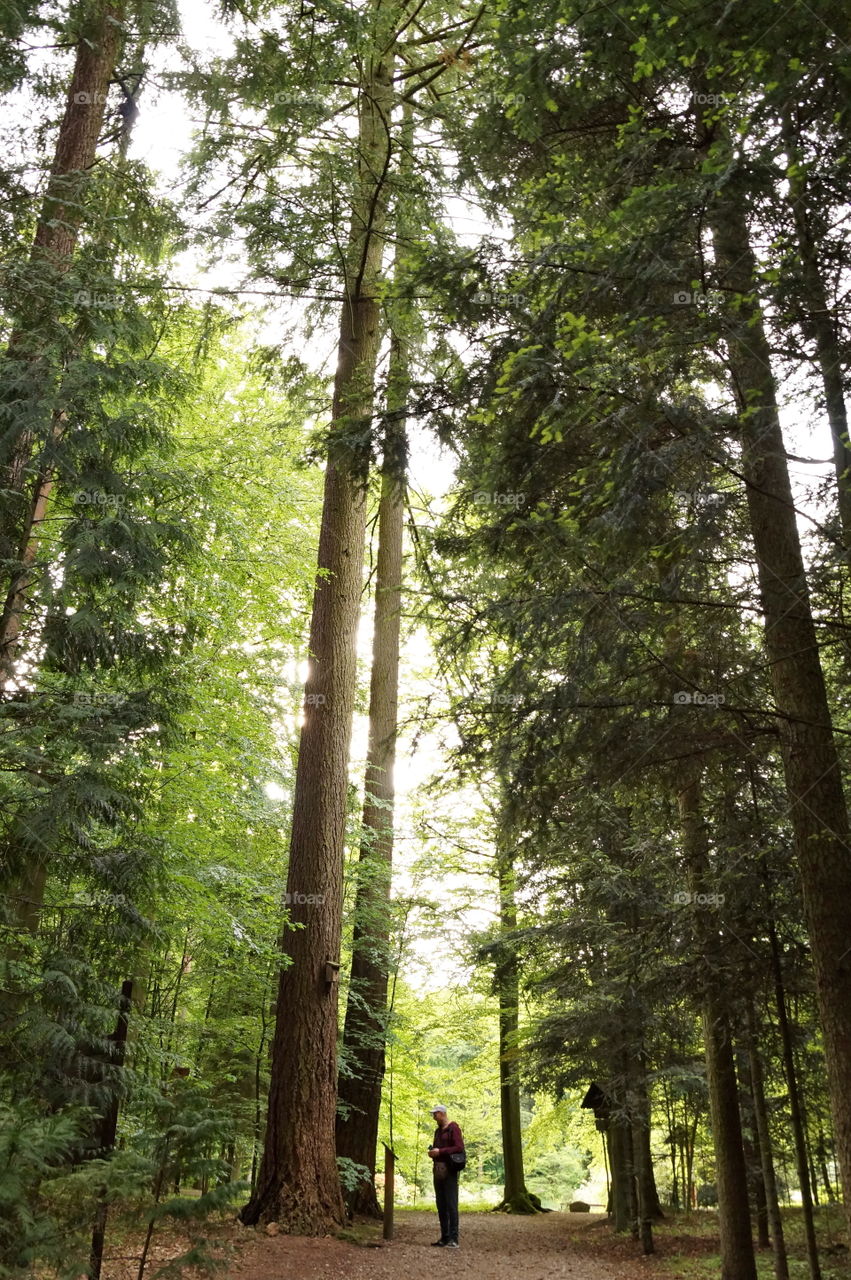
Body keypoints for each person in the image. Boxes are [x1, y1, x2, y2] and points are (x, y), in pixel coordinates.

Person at [427, 1104, 464, 1248]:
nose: (434, 1117)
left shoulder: (453, 1128)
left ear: (442, 1114)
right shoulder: (437, 1131)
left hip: (450, 1170)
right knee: (441, 1204)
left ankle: (454, 1239)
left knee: (451, 1205)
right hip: (437, 1170)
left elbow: (459, 1147)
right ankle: (444, 1237)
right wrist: (433, 1153)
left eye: (435, 1114)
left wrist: (441, 1152)